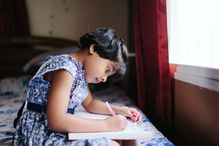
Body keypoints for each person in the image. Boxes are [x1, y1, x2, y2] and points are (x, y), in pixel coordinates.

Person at [14, 28, 141, 146]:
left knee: (128, 139)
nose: (104, 78)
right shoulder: (65, 69)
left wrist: (122, 110)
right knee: (112, 144)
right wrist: (106, 125)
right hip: (40, 132)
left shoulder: (79, 72)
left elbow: (90, 103)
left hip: (56, 128)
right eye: (107, 69)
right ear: (93, 49)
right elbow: (56, 120)